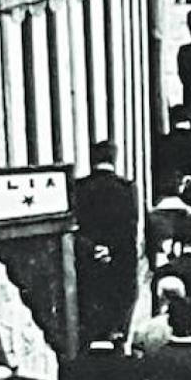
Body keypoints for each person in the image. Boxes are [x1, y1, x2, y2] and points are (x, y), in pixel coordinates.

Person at [72, 141, 141, 344]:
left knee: (89, 315)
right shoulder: (127, 189)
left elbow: (74, 226)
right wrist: (111, 249)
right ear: (114, 159)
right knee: (117, 312)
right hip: (119, 263)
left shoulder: (79, 187)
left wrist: (93, 248)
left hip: (86, 262)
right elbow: (130, 229)